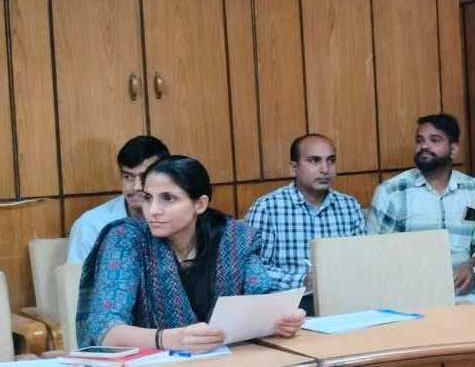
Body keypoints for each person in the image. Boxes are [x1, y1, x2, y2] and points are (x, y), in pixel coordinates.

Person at [76, 155, 305, 352]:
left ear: (200, 204)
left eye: (168, 198)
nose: (153, 211)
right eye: (148, 198)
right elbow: (104, 329)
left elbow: (263, 293)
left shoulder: (234, 237)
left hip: (226, 359)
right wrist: (168, 339)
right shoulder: (125, 238)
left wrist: (285, 317)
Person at [370, 114, 475, 301]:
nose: (424, 146)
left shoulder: (472, 189)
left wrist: (472, 266)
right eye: (419, 140)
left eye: (434, 140)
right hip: (409, 289)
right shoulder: (392, 192)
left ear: (453, 150)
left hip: (463, 286)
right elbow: (374, 252)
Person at [244, 134, 366, 296]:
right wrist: (302, 281)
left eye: (331, 160)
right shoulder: (267, 208)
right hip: (288, 301)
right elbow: (252, 270)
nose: (325, 169)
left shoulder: (349, 206)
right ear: (293, 168)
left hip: (342, 297)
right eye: (315, 161)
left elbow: (363, 260)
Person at [67, 135, 170, 264]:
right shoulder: (91, 225)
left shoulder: (178, 217)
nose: (136, 187)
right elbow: (76, 276)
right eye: (128, 177)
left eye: (144, 177)